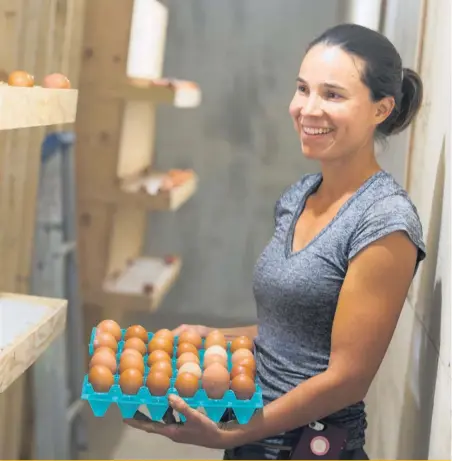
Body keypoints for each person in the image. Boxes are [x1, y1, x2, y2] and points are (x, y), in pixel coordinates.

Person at [125, 23, 426, 460]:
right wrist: (218, 337)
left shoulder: (385, 221)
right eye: (303, 89)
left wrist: (232, 434)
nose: (308, 108)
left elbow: (348, 378)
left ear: (381, 109)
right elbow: (296, 332)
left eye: (333, 95)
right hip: (251, 440)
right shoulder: (299, 196)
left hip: (308, 449)